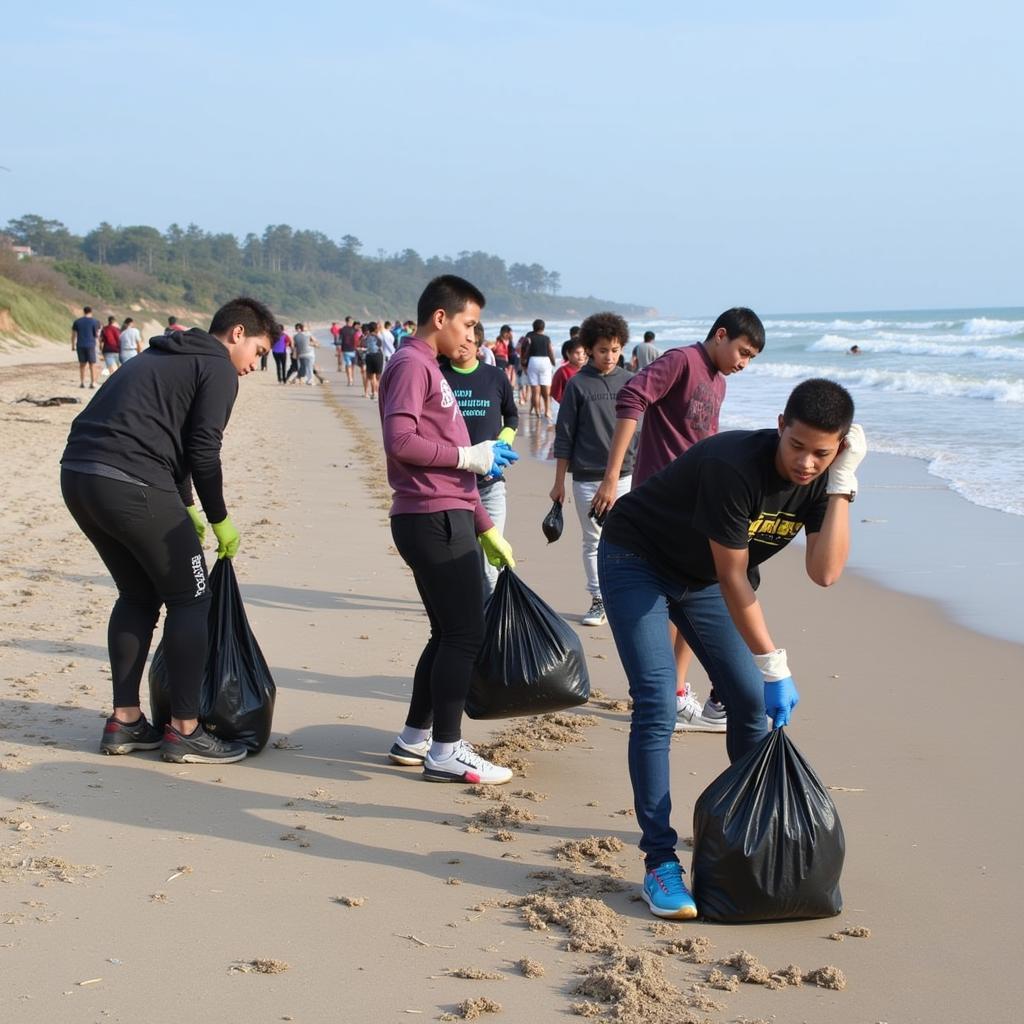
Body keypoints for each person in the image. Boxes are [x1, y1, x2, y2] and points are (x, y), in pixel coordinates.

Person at [597, 379, 867, 918]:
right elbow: (733, 575)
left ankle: (753, 830)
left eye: (823, 451)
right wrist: (776, 664)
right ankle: (659, 861)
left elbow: (826, 572)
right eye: (797, 446)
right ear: (779, 426)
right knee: (656, 702)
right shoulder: (734, 465)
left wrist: (842, 485)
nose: (806, 463)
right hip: (638, 559)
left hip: (701, 579)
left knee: (747, 702)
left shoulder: (824, 478)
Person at [60, 296, 276, 765]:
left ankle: (126, 722)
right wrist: (218, 517)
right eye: (259, 352)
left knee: (137, 595)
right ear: (238, 334)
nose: (256, 366)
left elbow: (166, 438)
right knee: (190, 597)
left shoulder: (164, 355)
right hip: (129, 481)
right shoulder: (217, 368)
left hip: (79, 476)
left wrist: (186, 505)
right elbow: (202, 451)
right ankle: (185, 728)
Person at [592, 308, 766, 732]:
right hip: (660, 506)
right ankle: (667, 692)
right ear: (720, 335)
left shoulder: (719, 382)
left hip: (700, 508)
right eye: (742, 351)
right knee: (676, 600)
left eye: (751, 359)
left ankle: (678, 689)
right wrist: (613, 476)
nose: (743, 363)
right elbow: (632, 396)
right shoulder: (682, 361)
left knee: (700, 593)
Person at [380, 275, 518, 785]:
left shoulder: (428, 366)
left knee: (448, 632)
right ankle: (446, 751)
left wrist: (485, 526)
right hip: (429, 516)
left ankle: (415, 737)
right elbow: (400, 440)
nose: (471, 335)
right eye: (468, 323)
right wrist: (470, 455)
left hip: (446, 513)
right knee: (465, 633)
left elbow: (456, 469)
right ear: (441, 317)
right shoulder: (412, 364)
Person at [550, 313, 637, 626]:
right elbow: (565, 436)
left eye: (615, 350)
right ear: (588, 349)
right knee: (594, 539)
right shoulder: (577, 385)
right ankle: (599, 599)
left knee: (626, 538)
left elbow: (640, 427)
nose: (610, 356)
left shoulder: (630, 381)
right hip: (586, 476)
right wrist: (559, 482)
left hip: (626, 475)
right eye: (603, 350)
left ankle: (622, 597)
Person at [441, 321, 519, 593]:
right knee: (463, 558)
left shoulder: (495, 377)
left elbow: (512, 414)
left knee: (490, 561)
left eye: (469, 341)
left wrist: (505, 438)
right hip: (451, 486)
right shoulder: (438, 377)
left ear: (479, 343)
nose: (462, 347)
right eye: (457, 341)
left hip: (490, 484)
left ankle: (491, 622)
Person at [522, 318, 556, 420]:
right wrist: (553, 362)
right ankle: (547, 410)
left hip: (533, 361)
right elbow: (550, 351)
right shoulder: (546, 338)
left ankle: (537, 411)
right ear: (543, 328)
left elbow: (524, 349)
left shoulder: (529, 337)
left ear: (533, 327)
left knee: (535, 390)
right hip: (545, 361)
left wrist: (524, 363)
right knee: (546, 388)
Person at [71, 306, 102, 389]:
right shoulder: (95, 322)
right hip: (91, 345)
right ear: (91, 312)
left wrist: (73, 345)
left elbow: (74, 335)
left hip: (80, 344)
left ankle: (82, 382)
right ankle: (92, 382)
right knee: (92, 364)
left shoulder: (77, 321)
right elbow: (97, 335)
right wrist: (100, 346)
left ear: (83, 312)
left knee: (82, 364)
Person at [551, 336, 587, 404]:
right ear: (568, 353)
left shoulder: (589, 371)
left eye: (583, 353)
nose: (581, 356)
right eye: (577, 353)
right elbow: (555, 393)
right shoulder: (562, 371)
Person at [363, 322, 384, 398]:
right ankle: (376, 392)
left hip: (369, 356)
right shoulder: (379, 336)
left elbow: (364, 344)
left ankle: (373, 392)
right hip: (378, 356)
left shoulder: (366, 337)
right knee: (378, 377)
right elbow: (380, 344)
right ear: (376, 328)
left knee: (371, 376)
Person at [340, 317, 357, 385]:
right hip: (349, 349)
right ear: (348, 321)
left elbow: (340, 339)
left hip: (349, 349)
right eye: (351, 321)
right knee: (350, 365)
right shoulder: (353, 329)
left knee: (350, 365)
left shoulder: (343, 329)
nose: (352, 322)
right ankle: (350, 379)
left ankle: (350, 378)